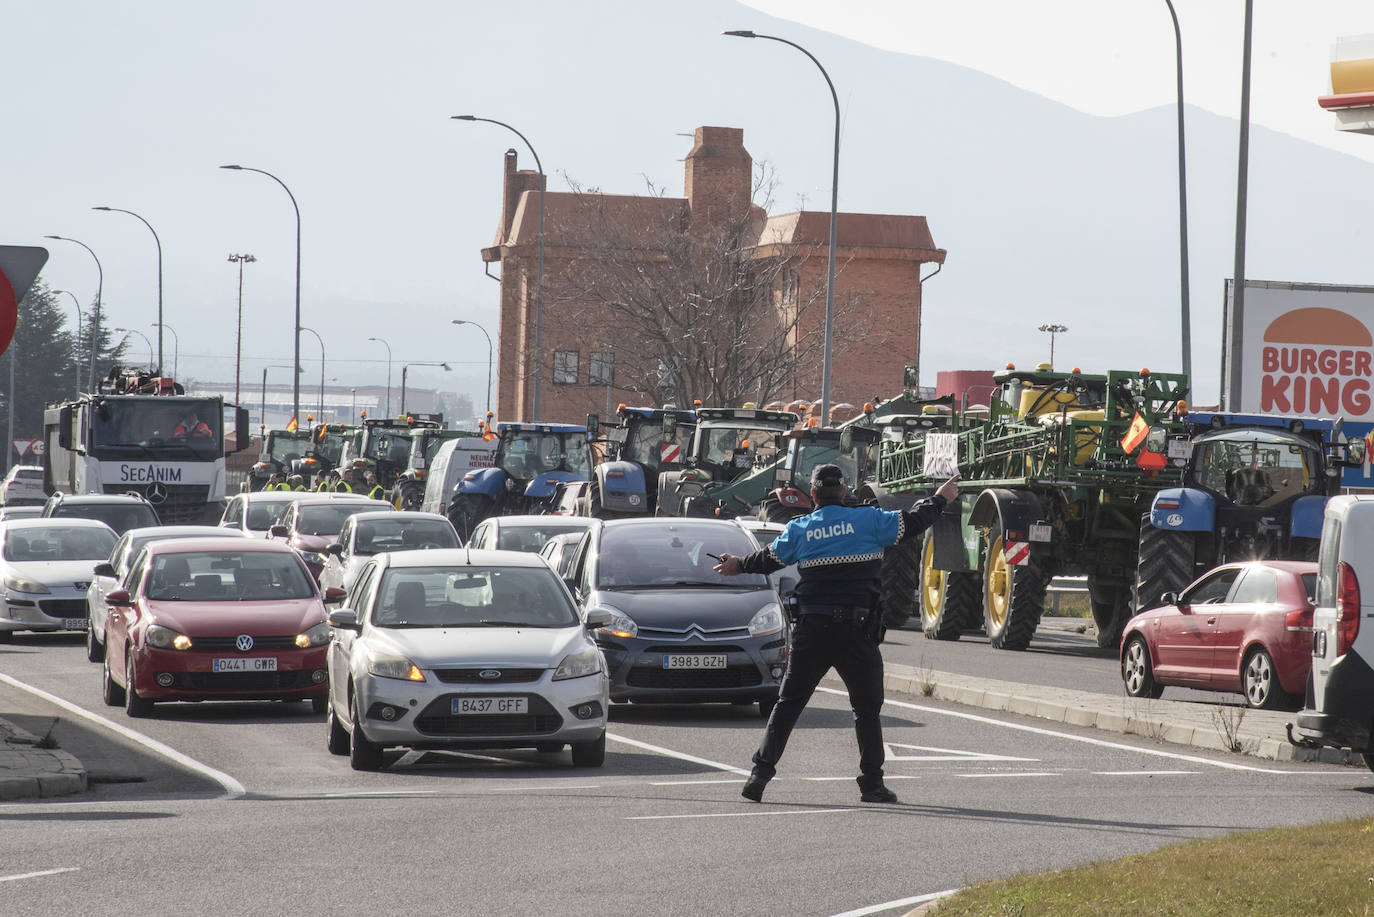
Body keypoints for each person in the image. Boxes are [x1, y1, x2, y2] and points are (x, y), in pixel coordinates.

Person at [714, 463, 960, 805]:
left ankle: (758, 776)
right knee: (866, 709)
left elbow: (769, 559)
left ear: (813, 494)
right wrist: (939, 498)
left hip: (811, 631)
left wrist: (738, 564)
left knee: (788, 705)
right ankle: (872, 784)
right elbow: (913, 523)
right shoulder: (870, 521)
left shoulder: (801, 528)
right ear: (844, 491)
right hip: (857, 633)